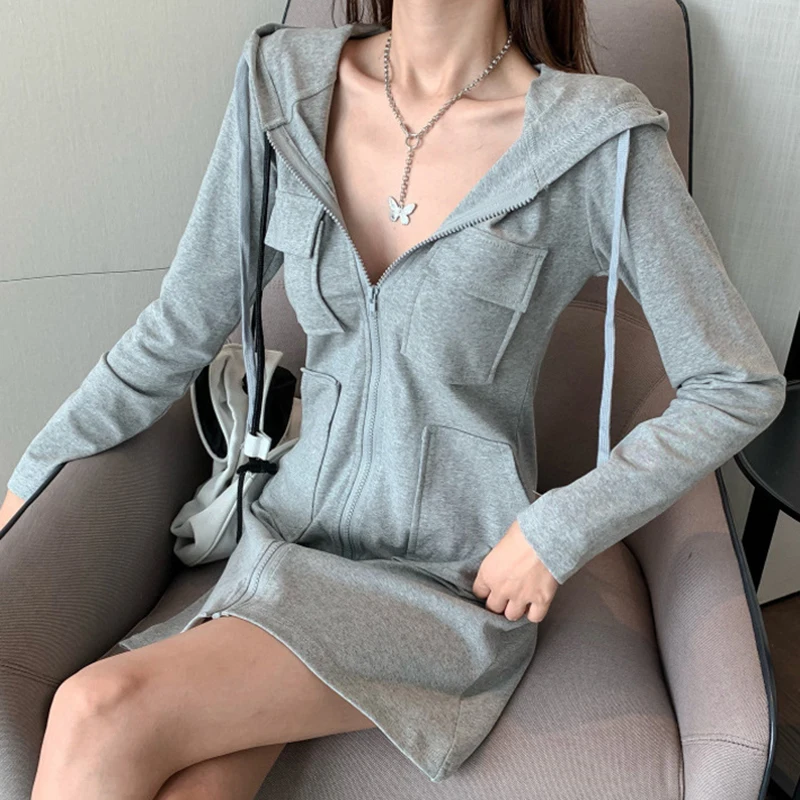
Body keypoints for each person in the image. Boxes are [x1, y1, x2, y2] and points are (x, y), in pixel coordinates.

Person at [3, 1, 786, 797]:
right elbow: (177, 327)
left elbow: (737, 382)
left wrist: (558, 529)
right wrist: (27, 486)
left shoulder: (596, 140)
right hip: (285, 544)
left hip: (445, 576)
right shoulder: (282, 86)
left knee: (98, 710)